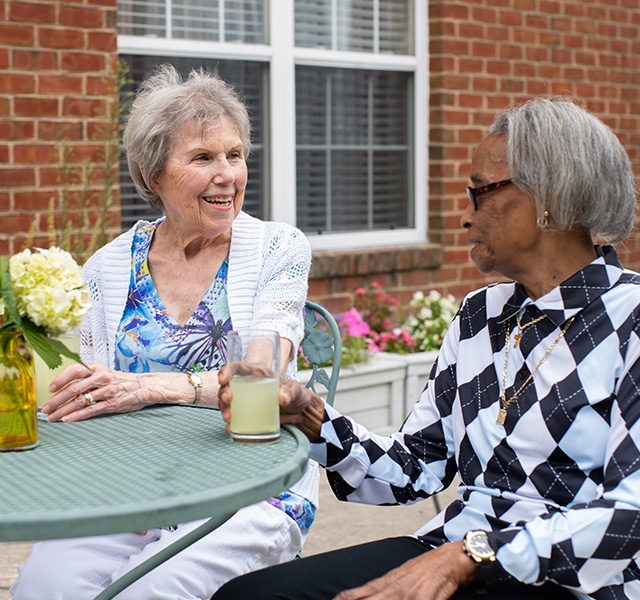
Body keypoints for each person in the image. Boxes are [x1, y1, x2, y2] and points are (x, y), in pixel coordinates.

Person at [213, 98, 640, 600]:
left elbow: (628, 520)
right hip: (453, 551)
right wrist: (312, 417)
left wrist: (473, 555)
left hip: (571, 582)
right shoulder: (483, 314)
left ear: (548, 198)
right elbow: (416, 467)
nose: (465, 216)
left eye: (479, 193)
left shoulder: (629, 320)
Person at [11, 64, 318, 600]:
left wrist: (157, 387)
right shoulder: (105, 268)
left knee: (149, 592)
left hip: (248, 486)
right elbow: (88, 387)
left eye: (235, 154)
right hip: (130, 483)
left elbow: (263, 373)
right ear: (154, 175)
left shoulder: (278, 248)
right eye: (203, 158)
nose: (228, 174)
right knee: (42, 586)